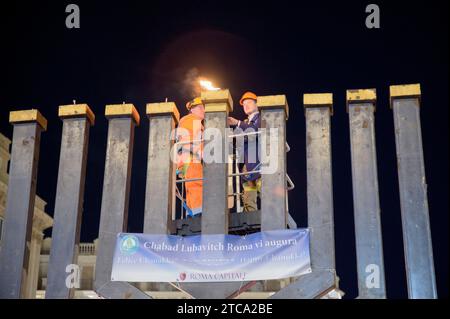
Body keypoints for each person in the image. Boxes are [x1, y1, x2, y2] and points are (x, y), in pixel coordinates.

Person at [228, 91, 261, 212]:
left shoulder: (262, 117)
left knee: (268, 196)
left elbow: (254, 132)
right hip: (246, 168)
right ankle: (253, 229)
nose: (245, 105)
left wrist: (237, 123)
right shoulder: (245, 123)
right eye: (244, 104)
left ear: (257, 104)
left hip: (259, 165)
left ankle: (274, 224)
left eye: (249, 102)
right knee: (248, 201)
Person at [176, 97, 205, 217]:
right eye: (201, 108)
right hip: (192, 159)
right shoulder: (191, 120)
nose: (204, 110)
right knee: (196, 184)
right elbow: (187, 141)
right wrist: (201, 153)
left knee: (192, 187)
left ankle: (193, 213)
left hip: (189, 160)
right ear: (192, 110)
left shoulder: (192, 121)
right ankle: (198, 214)